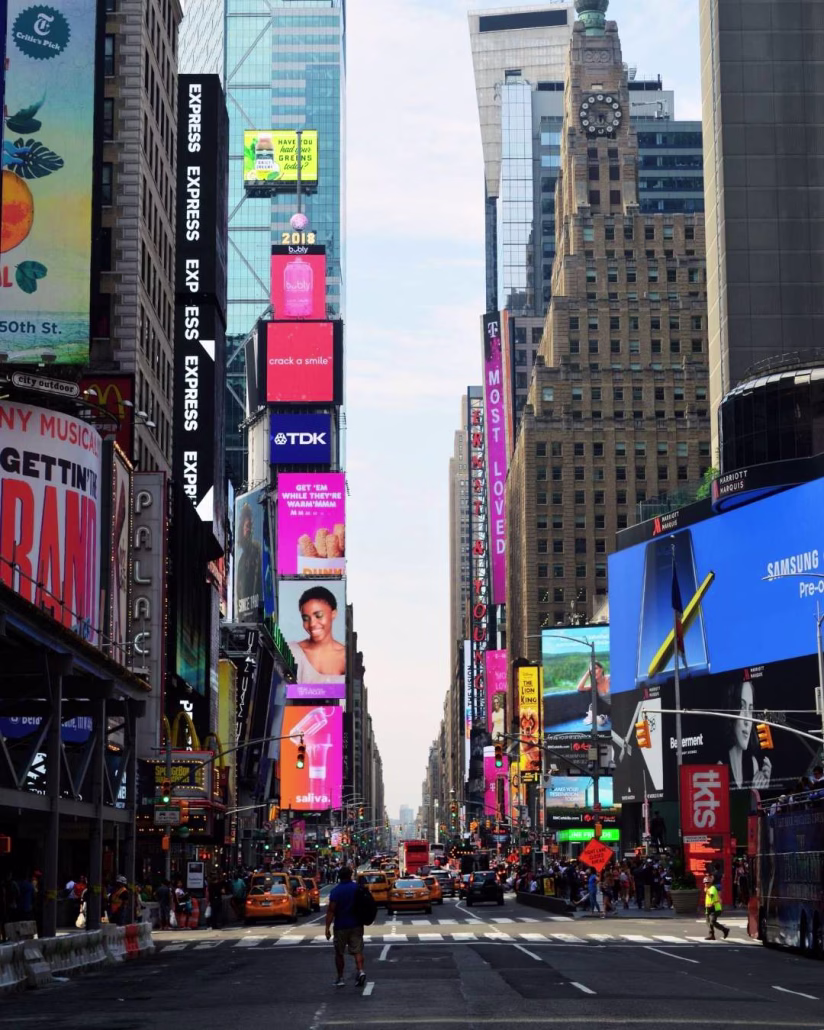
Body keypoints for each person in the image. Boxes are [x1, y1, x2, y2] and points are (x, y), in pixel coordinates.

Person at [290, 586, 346, 682]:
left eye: (318, 615)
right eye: (306, 618)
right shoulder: (292, 651)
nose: (312, 624)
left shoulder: (348, 657)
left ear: (333, 614)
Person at [724, 678, 771, 789]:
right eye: (741, 706)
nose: (747, 721)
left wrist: (761, 787)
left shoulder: (753, 763)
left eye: (750, 709)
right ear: (731, 708)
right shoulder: (720, 768)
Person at [325, 867, 366, 988]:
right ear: (350, 875)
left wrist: (327, 928)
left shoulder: (336, 891)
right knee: (357, 950)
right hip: (356, 924)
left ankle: (340, 977)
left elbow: (331, 910)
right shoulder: (357, 888)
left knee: (339, 952)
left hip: (341, 925)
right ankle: (361, 971)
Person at [236, 502, 262, 620]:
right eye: (247, 526)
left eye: (251, 526)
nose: (250, 530)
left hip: (255, 616)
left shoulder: (257, 550)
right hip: (244, 618)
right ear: (241, 528)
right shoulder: (241, 559)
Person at [703, 873, 729, 940]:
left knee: (712, 922)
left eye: (707, 883)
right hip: (708, 908)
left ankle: (725, 930)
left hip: (715, 908)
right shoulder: (708, 889)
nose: (705, 884)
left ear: (710, 883)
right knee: (708, 922)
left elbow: (711, 895)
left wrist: (707, 891)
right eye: (705, 883)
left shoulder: (712, 888)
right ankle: (711, 935)